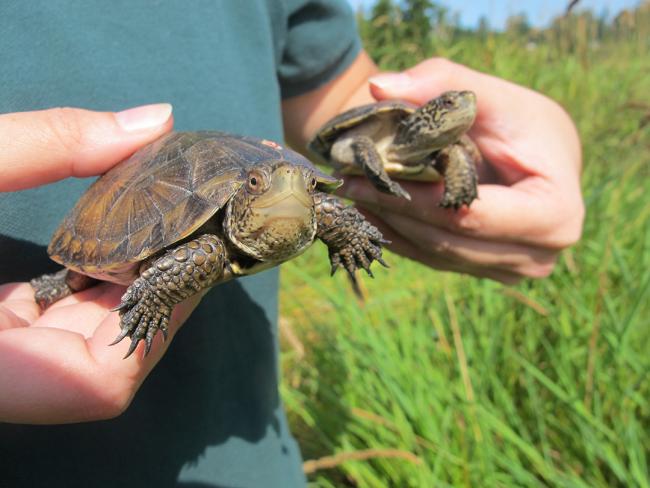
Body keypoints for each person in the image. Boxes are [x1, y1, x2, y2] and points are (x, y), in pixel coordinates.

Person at [0, 1, 583, 487]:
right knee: (140, 265)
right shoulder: (205, 242)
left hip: (251, 448)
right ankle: (69, 279)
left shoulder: (307, 196)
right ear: (247, 195)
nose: (289, 186)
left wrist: (373, 202)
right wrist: (148, 293)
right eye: (264, 185)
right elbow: (190, 249)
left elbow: (336, 99)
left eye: (298, 185)